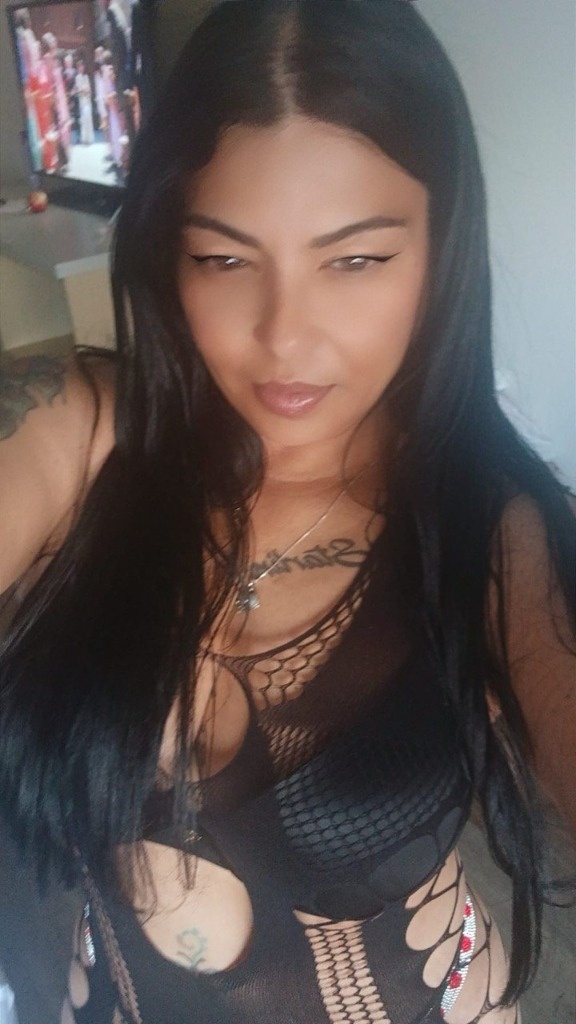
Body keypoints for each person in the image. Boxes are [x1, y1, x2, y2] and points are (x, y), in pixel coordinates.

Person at [0, 2, 574, 1023]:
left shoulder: (496, 537)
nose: (285, 338)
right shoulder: (77, 432)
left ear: (439, 253)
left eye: (356, 259)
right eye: (224, 258)